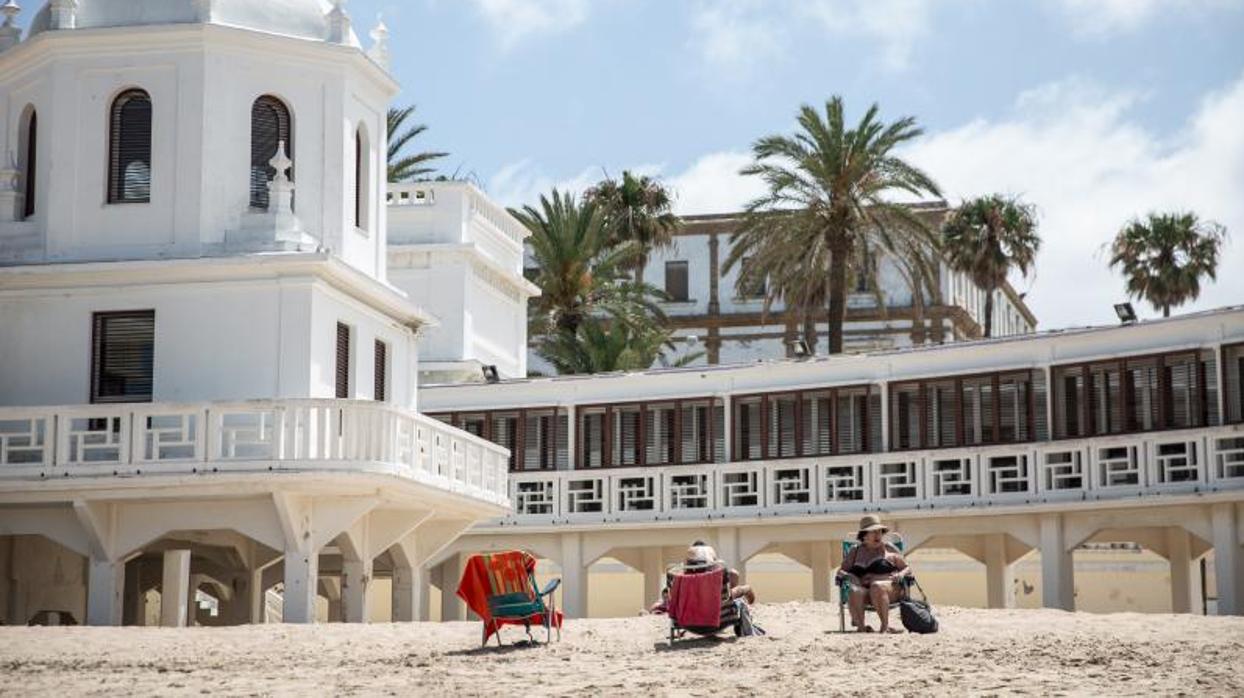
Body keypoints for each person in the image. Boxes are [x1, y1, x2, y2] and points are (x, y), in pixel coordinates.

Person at [836, 515, 910, 633]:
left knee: (876, 586)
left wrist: (900, 575)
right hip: (865, 593)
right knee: (855, 590)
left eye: (879, 531)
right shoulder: (855, 551)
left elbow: (907, 568)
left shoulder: (889, 548)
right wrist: (850, 576)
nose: (878, 535)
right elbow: (841, 570)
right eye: (873, 532)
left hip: (889, 590)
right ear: (864, 535)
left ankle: (885, 627)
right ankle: (861, 627)